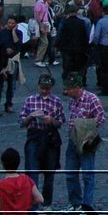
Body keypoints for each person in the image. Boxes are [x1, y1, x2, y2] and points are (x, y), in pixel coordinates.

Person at [62, 73, 106, 213]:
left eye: (68, 89)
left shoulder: (91, 99)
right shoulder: (72, 100)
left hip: (87, 140)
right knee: (70, 174)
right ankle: (75, 204)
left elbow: (101, 118)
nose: (66, 91)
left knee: (87, 174)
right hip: (72, 140)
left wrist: (86, 125)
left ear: (78, 88)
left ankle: (87, 206)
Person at [18, 72, 64, 206]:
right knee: (32, 171)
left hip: (50, 137)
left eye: (47, 89)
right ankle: (32, 204)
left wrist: (52, 120)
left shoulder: (56, 101)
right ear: (38, 86)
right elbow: (21, 122)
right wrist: (31, 116)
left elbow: (61, 121)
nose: (44, 91)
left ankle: (46, 204)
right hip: (34, 136)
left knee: (49, 173)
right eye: (42, 88)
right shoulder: (30, 100)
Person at [0, 146, 43, 215]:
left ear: (3, 164)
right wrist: (26, 203)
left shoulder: (0, 186)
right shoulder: (27, 180)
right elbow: (40, 199)